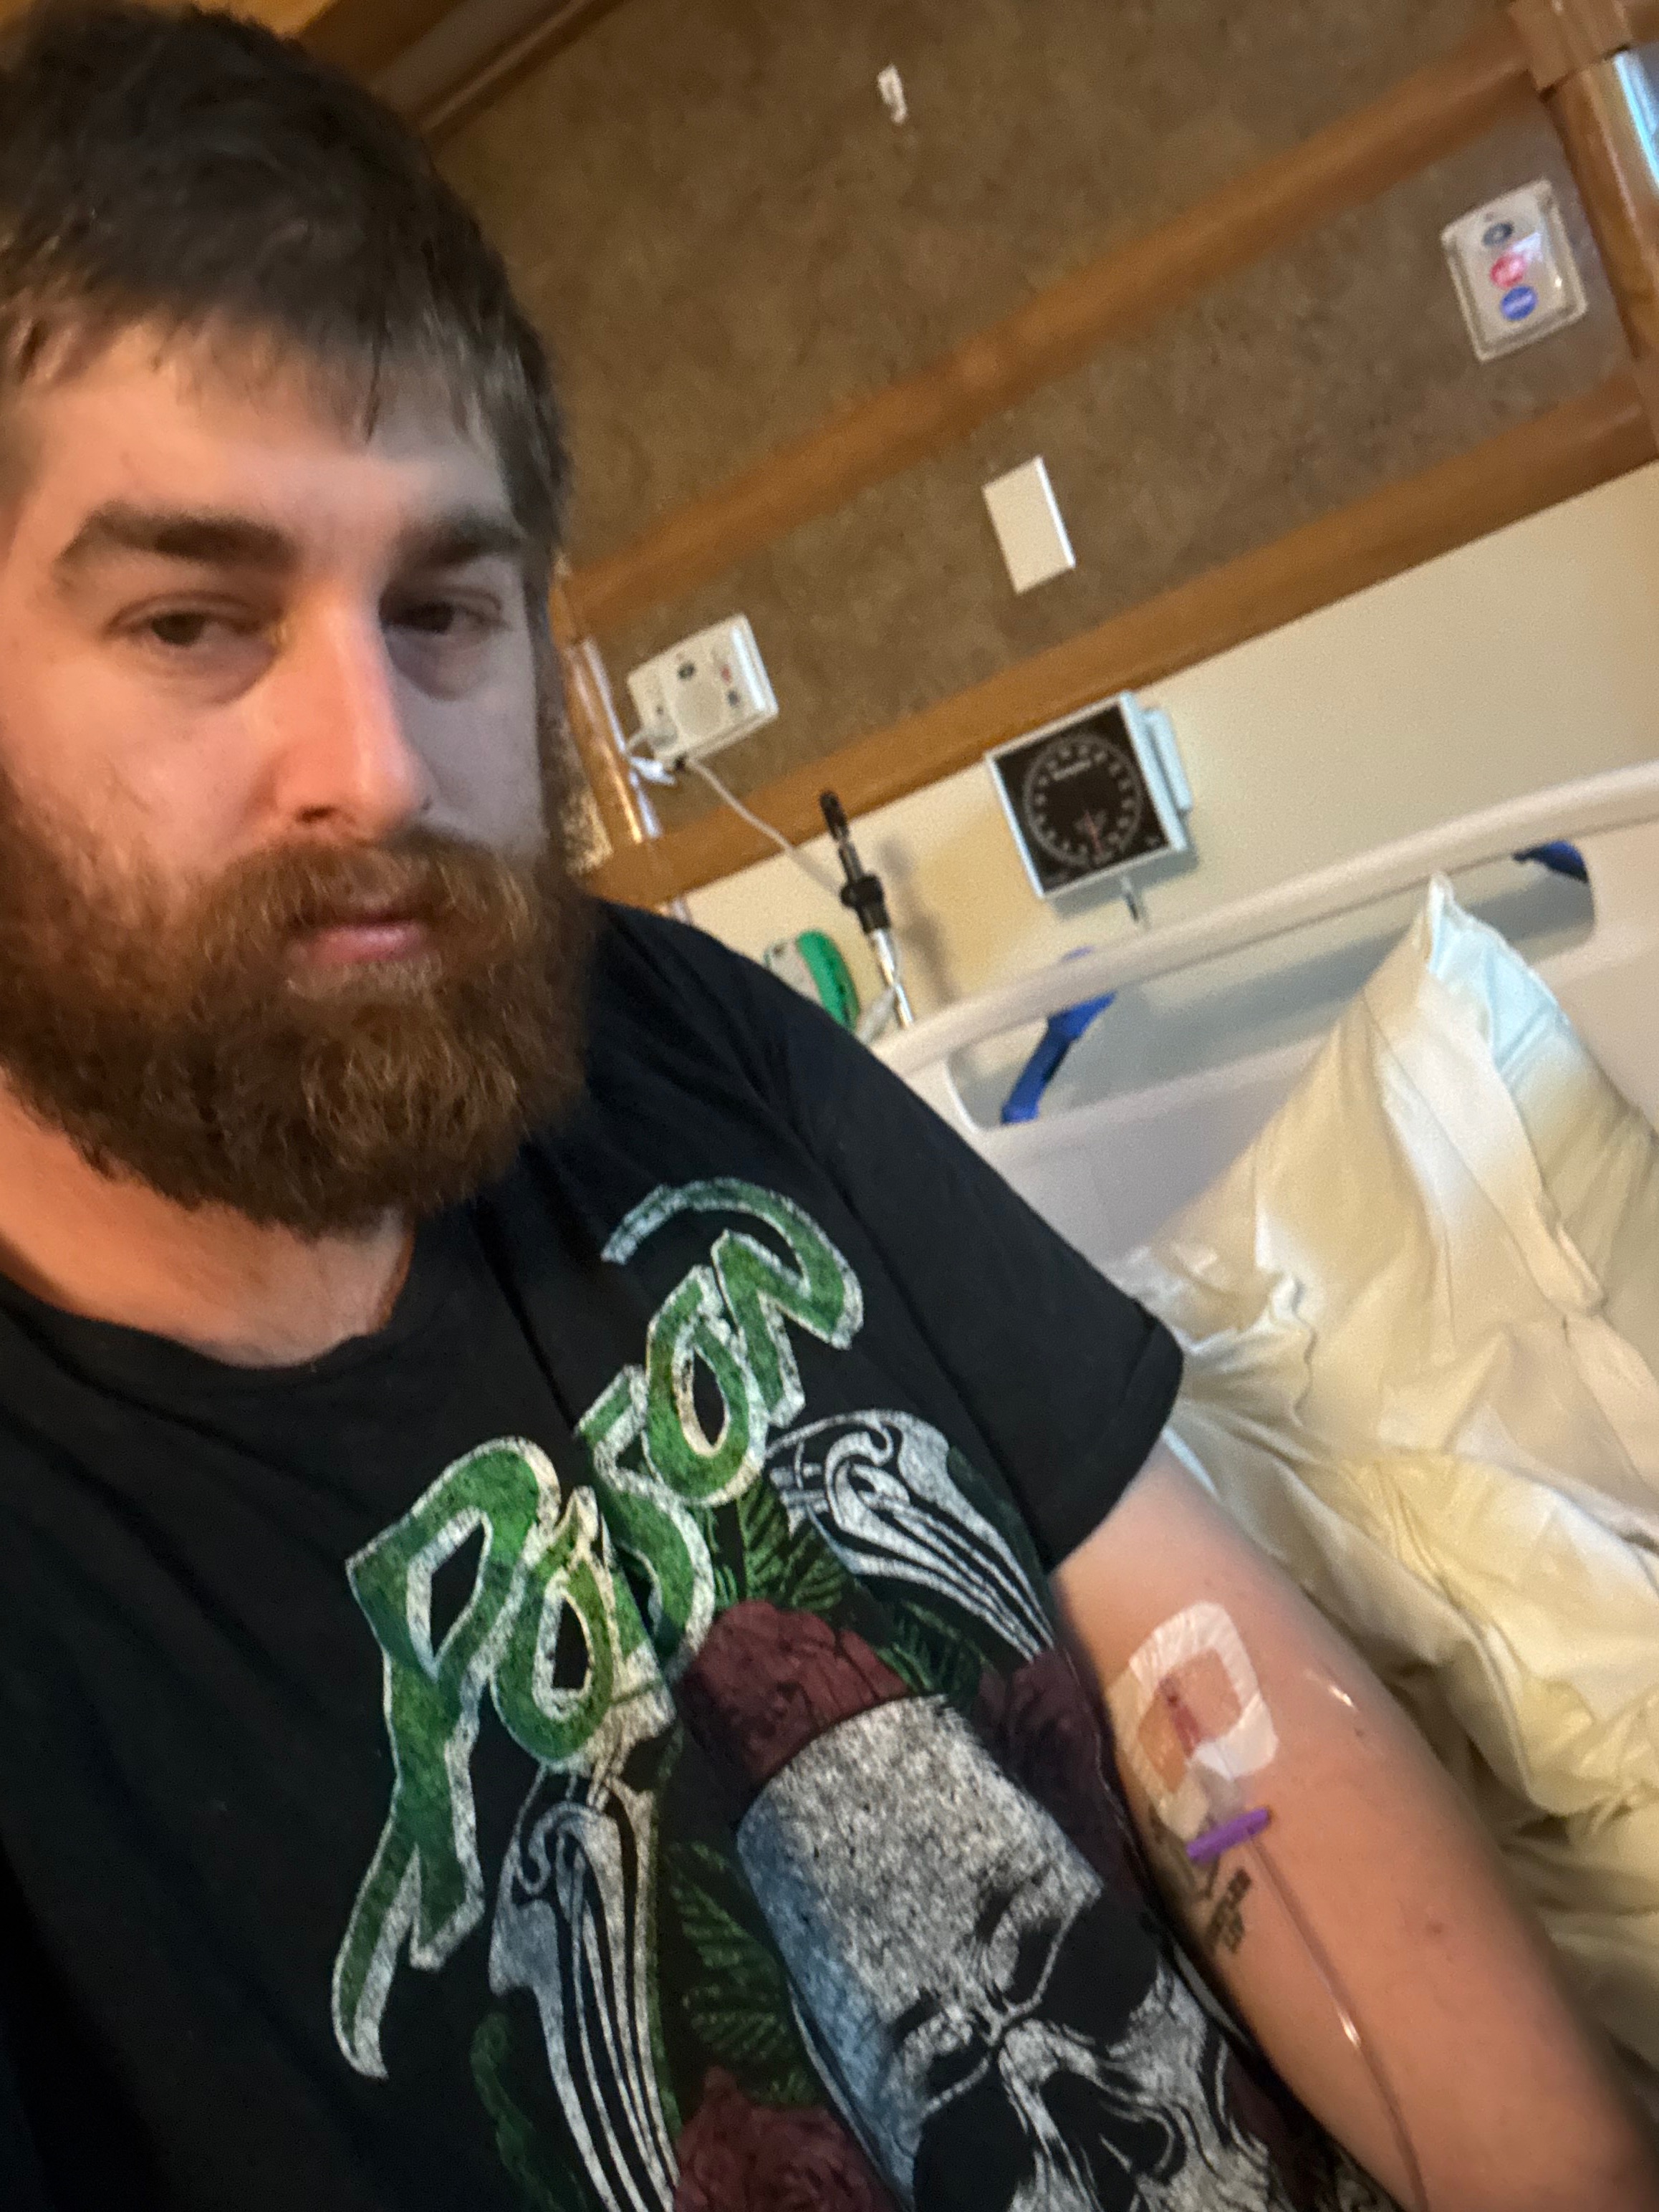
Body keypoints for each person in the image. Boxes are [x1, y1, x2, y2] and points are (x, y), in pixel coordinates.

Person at [0, 7, 1650, 2209]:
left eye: (443, 607)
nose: (378, 769)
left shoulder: (671, 1033)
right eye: (194, 622)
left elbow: (1197, 1660)